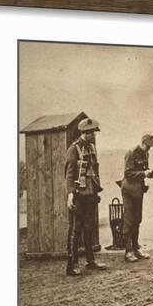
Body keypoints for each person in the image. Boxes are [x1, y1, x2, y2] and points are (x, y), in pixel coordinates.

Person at [65, 117, 107, 276]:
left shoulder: (92, 148)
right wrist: (70, 195)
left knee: (89, 227)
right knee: (76, 229)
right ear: (84, 133)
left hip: (90, 194)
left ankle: (90, 261)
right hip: (78, 195)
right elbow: (69, 174)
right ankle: (72, 264)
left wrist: (97, 191)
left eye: (94, 133)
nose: (93, 136)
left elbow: (95, 171)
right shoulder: (74, 149)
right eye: (91, 133)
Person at [121, 133, 153, 262]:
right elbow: (128, 173)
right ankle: (128, 251)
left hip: (138, 191)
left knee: (137, 219)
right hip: (129, 190)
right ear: (142, 143)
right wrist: (143, 173)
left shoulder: (145, 154)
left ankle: (136, 249)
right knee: (128, 220)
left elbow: (144, 169)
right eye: (148, 147)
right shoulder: (131, 153)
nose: (149, 149)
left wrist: (149, 173)